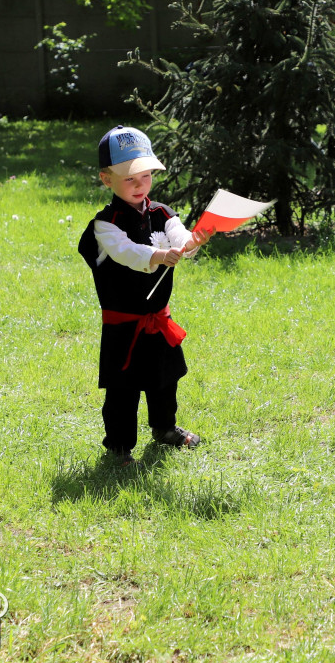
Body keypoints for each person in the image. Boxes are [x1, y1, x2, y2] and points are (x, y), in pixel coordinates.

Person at [78, 125, 213, 468]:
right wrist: (155, 256)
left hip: (159, 319)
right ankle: (120, 449)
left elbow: (178, 235)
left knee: (164, 380)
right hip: (124, 325)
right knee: (123, 390)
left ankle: (164, 428)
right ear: (106, 179)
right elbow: (125, 251)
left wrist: (191, 243)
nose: (140, 185)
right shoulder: (105, 224)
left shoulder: (162, 213)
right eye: (129, 179)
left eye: (147, 176)